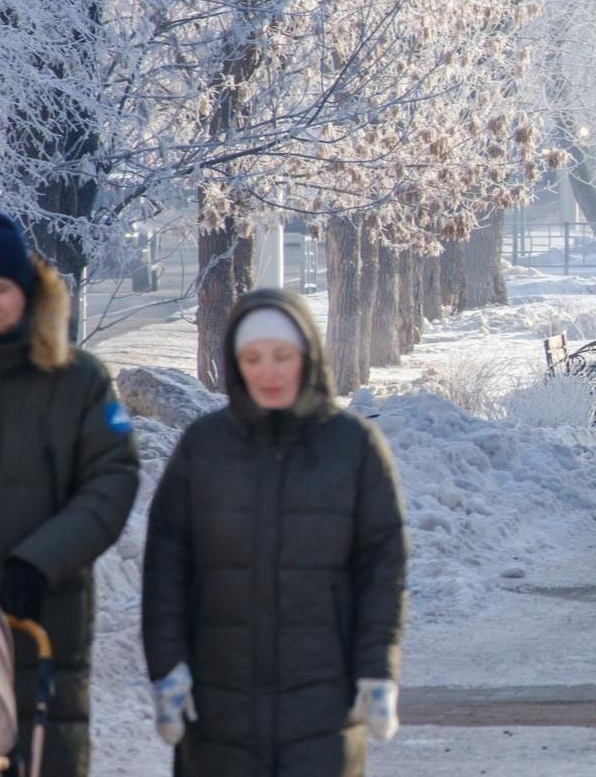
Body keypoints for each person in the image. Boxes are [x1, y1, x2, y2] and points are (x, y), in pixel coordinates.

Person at [0, 211, 140, 777]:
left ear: (28, 294)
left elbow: (112, 478)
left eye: (0, 289)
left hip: (43, 614)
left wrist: (40, 563)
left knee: (43, 754)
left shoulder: (79, 379)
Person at [142, 288, 407, 775]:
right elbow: (166, 565)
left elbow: (381, 567)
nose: (269, 371)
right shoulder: (204, 446)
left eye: (282, 356)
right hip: (217, 701)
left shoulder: (354, 447)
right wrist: (168, 667)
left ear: (307, 355)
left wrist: (377, 668)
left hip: (325, 701)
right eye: (253, 357)